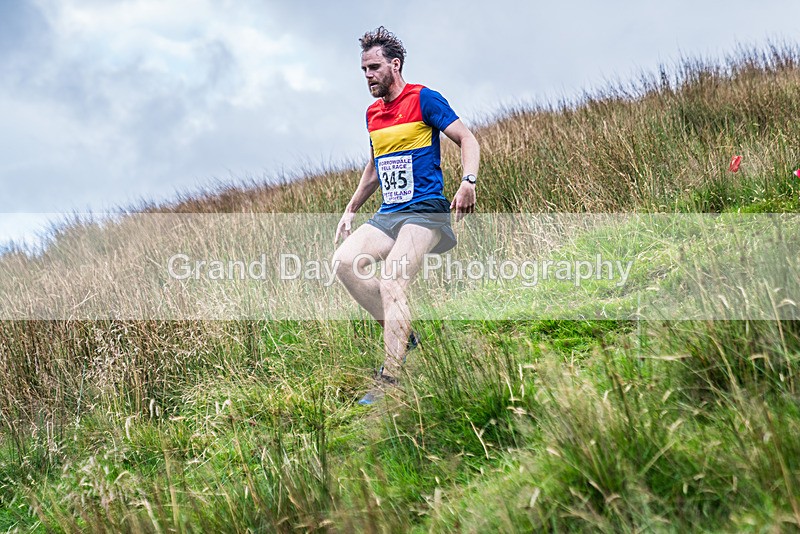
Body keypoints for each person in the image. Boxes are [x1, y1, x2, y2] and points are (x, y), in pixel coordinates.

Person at [333, 26, 480, 405]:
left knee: (391, 278)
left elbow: (467, 138)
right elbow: (374, 167)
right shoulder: (372, 115)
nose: (367, 76)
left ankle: (391, 379)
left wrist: (468, 182)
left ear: (394, 65)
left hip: (426, 212)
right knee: (344, 262)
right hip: (390, 212)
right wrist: (351, 208)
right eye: (363, 69)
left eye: (374, 67)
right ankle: (404, 335)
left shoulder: (424, 99)